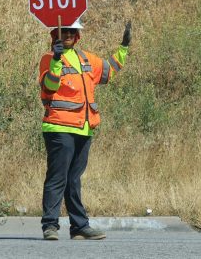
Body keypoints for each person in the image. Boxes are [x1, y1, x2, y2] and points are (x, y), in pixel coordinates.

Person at [37, 18, 131, 241]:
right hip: (59, 126)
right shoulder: (49, 58)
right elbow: (50, 86)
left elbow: (109, 72)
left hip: (84, 128)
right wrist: (57, 59)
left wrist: (124, 47)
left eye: (72, 30)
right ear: (56, 34)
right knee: (57, 178)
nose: (69, 34)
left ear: (77, 34)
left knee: (73, 180)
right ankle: (50, 226)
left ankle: (79, 226)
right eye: (65, 30)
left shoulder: (86, 58)